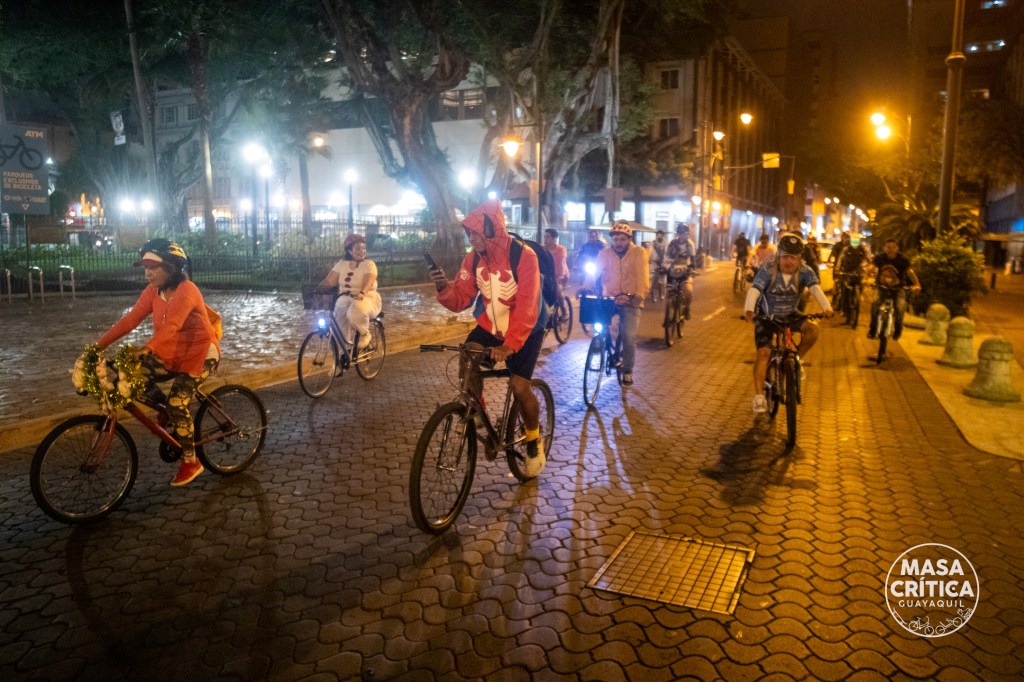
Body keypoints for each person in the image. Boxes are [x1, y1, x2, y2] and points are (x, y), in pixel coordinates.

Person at [428, 200, 549, 476]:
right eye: (468, 234)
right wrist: (442, 286)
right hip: (493, 325)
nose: (471, 239)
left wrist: (510, 345)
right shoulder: (472, 259)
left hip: (527, 329)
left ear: (492, 230)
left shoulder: (524, 256)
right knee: (468, 353)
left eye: (475, 233)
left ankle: (533, 440)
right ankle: (476, 407)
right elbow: (461, 298)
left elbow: (529, 306)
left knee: (519, 388)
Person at [95, 239, 221, 486]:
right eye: (144, 267)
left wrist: (147, 348)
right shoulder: (153, 291)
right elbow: (130, 321)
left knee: (177, 403)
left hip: (200, 354)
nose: (147, 272)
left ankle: (191, 461)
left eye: (153, 266)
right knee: (127, 372)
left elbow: (174, 324)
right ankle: (168, 412)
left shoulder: (188, 290)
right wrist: (97, 346)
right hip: (172, 352)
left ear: (172, 267)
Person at [744, 234, 833, 414]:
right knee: (763, 353)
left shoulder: (806, 271)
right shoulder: (768, 268)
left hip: (791, 315)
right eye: (785, 256)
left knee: (813, 330)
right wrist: (749, 309)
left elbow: (815, 289)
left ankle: (796, 362)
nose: (789, 261)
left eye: (793, 257)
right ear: (779, 256)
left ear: (800, 258)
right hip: (767, 317)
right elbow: (755, 289)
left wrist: (826, 307)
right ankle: (759, 397)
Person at [589, 221, 650, 386]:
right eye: (615, 239)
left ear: (629, 239)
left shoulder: (639, 253)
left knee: (629, 336)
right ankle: (605, 345)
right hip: (610, 298)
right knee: (599, 325)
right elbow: (595, 272)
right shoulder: (604, 253)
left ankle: (628, 371)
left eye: (622, 239)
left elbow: (643, 277)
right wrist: (585, 286)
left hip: (631, 301)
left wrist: (639, 294)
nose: (618, 243)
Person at [319, 233, 382, 349]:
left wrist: (362, 292)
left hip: (367, 297)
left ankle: (365, 334)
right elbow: (329, 281)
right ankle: (344, 350)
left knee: (355, 311)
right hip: (344, 297)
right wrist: (318, 290)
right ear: (349, 251)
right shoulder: (341, 264)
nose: (362, 251)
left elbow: (370, 278)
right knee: (337, 320)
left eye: (363, 248)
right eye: (358, 248)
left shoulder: (369, 264)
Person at [868, 238, 921, 340]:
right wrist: (866, 278)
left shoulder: (903, 260)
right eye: (888, 247)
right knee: (875, 307)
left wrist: (917, 284)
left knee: (899, 309)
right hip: (882, 288)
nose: (891, 250)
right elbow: (872, 267)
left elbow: (910, 272)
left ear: (897, 249)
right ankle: (872, 330)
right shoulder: (880, 258)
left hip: (898, 289)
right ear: (885, 248)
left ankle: (897, 331)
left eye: (893, 247)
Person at [665, 222, 697, 320]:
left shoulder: (690, 244)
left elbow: (693, 260)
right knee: (668, 291)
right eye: (680, 233)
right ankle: (667, 316)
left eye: (684, 233)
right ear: (677, 233)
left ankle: (687, 308)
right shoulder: (672, 243)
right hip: (673, 270)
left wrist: (691, 267)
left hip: (685, 270)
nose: (682, 235)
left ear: (688, 234)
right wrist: (665, 265)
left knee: (688, 290)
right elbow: (667, 256)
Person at [543, 228, 570, 293]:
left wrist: (560, 277)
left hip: (560, 276)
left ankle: (562, 302)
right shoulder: (542, 249)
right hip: (547, 277)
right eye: (545, 237)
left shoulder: (561, 249)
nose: (545, 239)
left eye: (548, 237)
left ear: (554, 239)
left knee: (557, 291)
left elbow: (562, 264)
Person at [648, 230, 668, 303]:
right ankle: (654, 296)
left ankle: (662, 294)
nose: (659, 237)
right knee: (652, 281)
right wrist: (648, 259)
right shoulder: (652, 243)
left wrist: (665, 262)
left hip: (663, 263)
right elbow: (649, 252)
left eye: (661, 235)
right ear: (656, 236)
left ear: (663, 236)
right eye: (658, 235)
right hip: (654, 264)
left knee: (662, 281)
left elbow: (667, 253)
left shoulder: (666, 243)